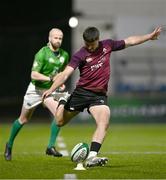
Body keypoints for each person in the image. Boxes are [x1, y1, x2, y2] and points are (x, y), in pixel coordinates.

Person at [42, 26, 162, 167]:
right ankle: (63, 100)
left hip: (98, 96)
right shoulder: (80, 54)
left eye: (92, 45)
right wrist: (51, 89)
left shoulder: (108, 45)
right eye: (87, 45)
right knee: (59, 122)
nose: (90, 48)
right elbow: (65, 74)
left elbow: (130, 41)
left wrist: (149, 36)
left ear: (98, 40)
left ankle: (92, 157)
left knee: (104, 122)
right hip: (81, 93)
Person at [4, 28, 70, 161]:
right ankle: (9, 144)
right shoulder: (42, 53)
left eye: (60, 38)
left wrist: (60, 82)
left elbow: (62, 73)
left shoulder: (64, 55)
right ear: (49, 38)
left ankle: (50, 146)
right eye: (56, 37)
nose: (58, 40)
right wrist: (51, 79)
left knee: (59, 114)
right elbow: (33, 74)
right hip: (35, 90)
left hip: (50, 91)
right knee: (23, 120)